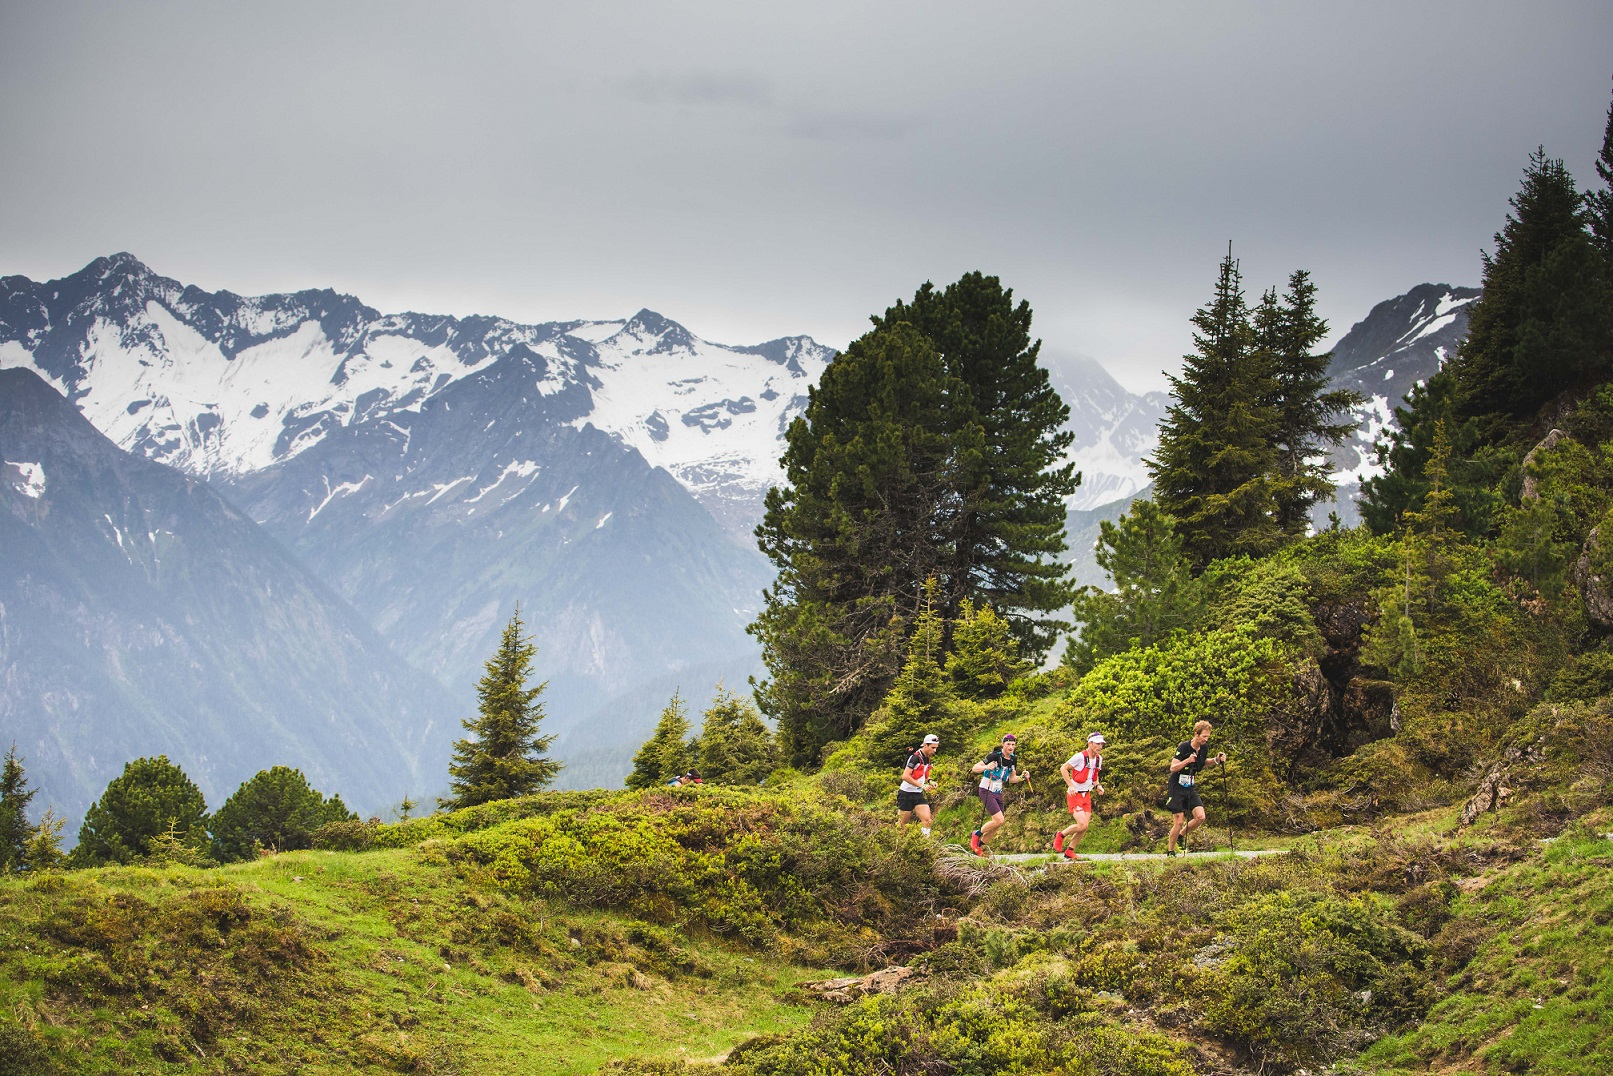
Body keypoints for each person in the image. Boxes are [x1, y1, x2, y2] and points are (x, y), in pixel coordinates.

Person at [1166, 720, 1225, 856]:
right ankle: (1170, 851)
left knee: (1200, 817)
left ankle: (1181, 836)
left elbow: (1202, 763)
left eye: (1208, 737)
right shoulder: (1184, 747)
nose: (1206, 739)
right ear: (1196, 734)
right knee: (1179, 821)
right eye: (1204, 736)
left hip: (1190, 786)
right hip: (1177, 786)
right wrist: (1187, 760)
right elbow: (1173, 767)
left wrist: (1217, 760)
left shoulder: (1204, 748)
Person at [968, 733, 1025, 856]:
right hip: (986, 788)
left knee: (998, 824)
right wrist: (987, 767)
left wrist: (1023, 778)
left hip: (998, 791)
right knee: (999, 820)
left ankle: (978, 847)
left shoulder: (1013, 759)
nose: (1010, 747)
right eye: (1008, 744)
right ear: (1003, 744)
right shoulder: (995, 756)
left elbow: (1012, 779)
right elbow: (975, 768)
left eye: (1013, 744)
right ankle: (976, 834)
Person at [1055, 732, 1106, 860]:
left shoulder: (1099, 759)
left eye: (1101, 744)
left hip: (1086, 794)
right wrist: (1070, 785)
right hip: (1074, 794)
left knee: (1084, 827)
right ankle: (1061, 835)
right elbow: (1063, 768)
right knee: (1082, 824)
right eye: (1097, 743)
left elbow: (1094, 776)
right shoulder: (1079, 757)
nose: (1100, 746)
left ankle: (1070, 851)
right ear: (1090, 743)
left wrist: (1098, 785)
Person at [897, 734, 940, 836]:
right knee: (902, 825)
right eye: (932, 747)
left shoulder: (927, 758)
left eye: (936, 748)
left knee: (927, 820)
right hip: (906, 794)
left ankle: (925, 846)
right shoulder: (915, 758)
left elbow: (924, 773)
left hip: (917, 794)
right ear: (925, 745)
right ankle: (898, 847)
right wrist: (922, 786)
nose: (935, 751)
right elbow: (905, 776)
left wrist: (930, 781)